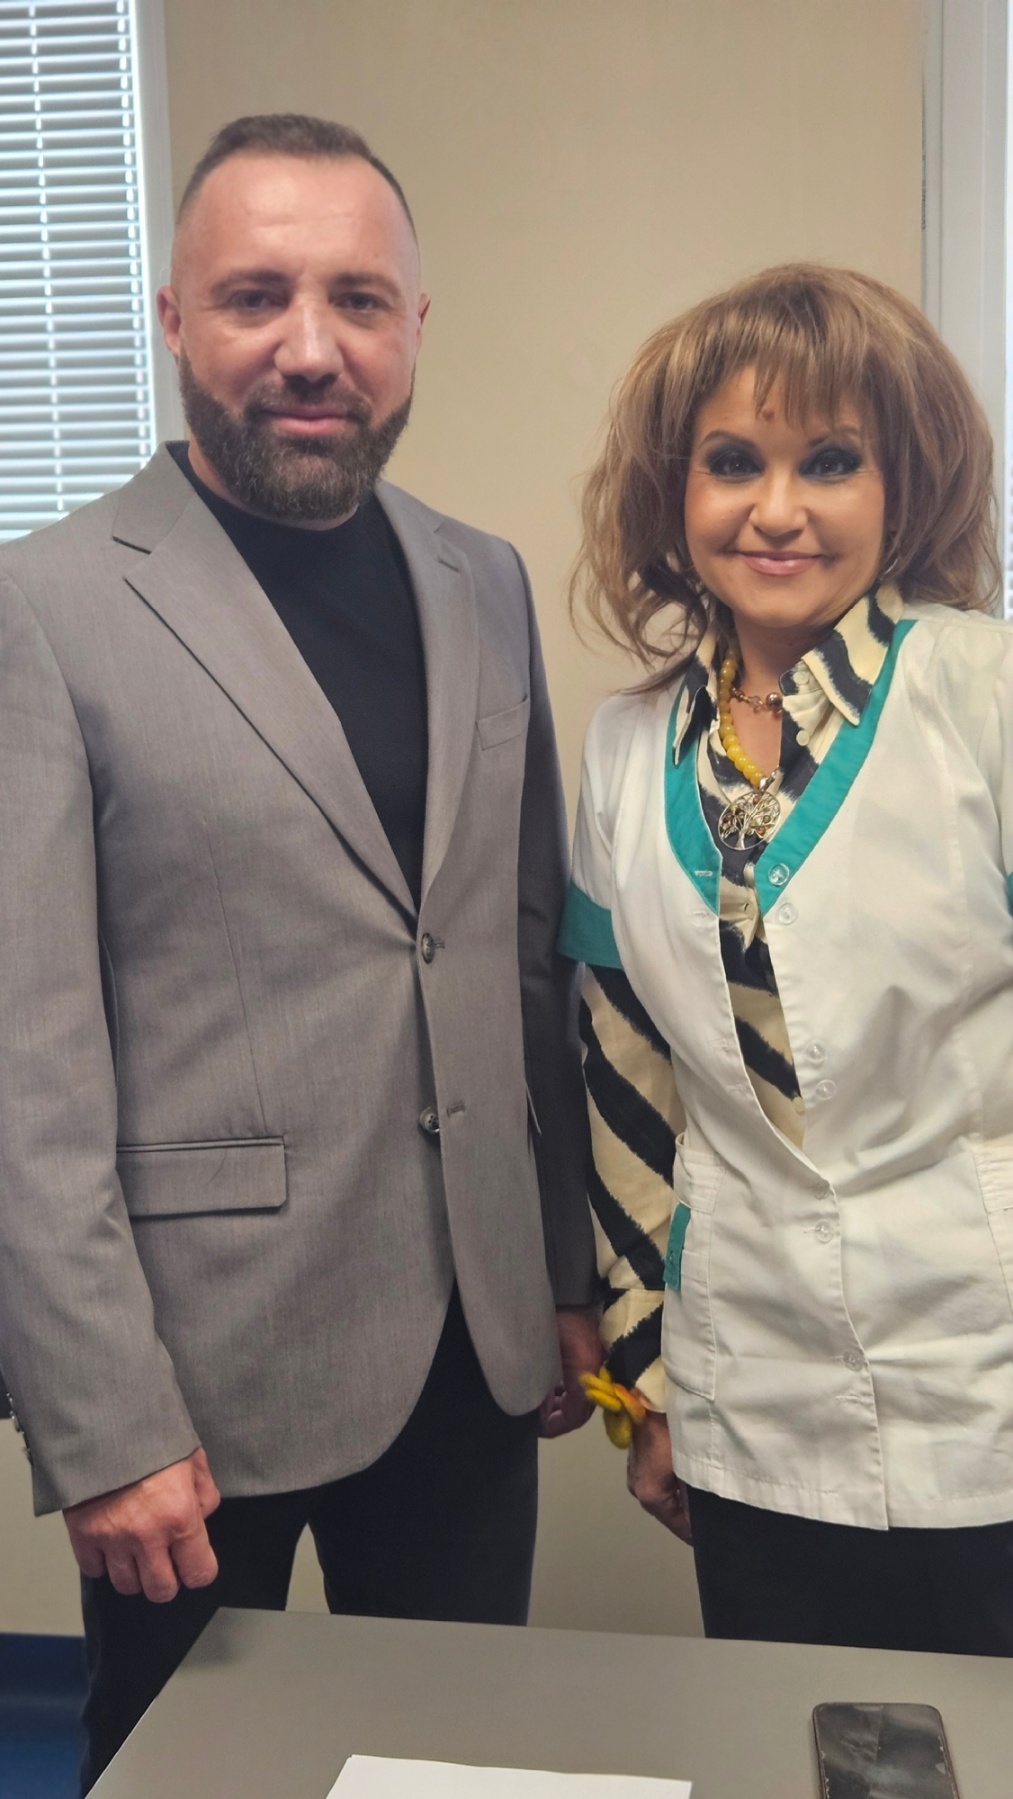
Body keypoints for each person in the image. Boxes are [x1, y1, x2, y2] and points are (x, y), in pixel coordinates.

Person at [0, 113, 599, 1788]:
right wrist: (101, 1423)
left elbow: (521, 958)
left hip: (474, 1341)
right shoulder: (41, 609)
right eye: (256, 296)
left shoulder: (481, 582)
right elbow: (24, 1066)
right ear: (173, 319)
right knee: (187, 1770)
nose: (312, 348)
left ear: (416, 324)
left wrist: (560, 1270)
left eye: (359, 299)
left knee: (461, 1756)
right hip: (197, 1376)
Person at [560, 262, 1013, 1656]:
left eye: (829, 461)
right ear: (673, 490)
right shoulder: (625, 751)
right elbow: (627, 1084)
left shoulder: (981, 692)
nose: (775, 509)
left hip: (986, 1369)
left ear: (901, 484)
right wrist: (649, 1383)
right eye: (731, 463)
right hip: (747, 1388)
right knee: (786, 1732)